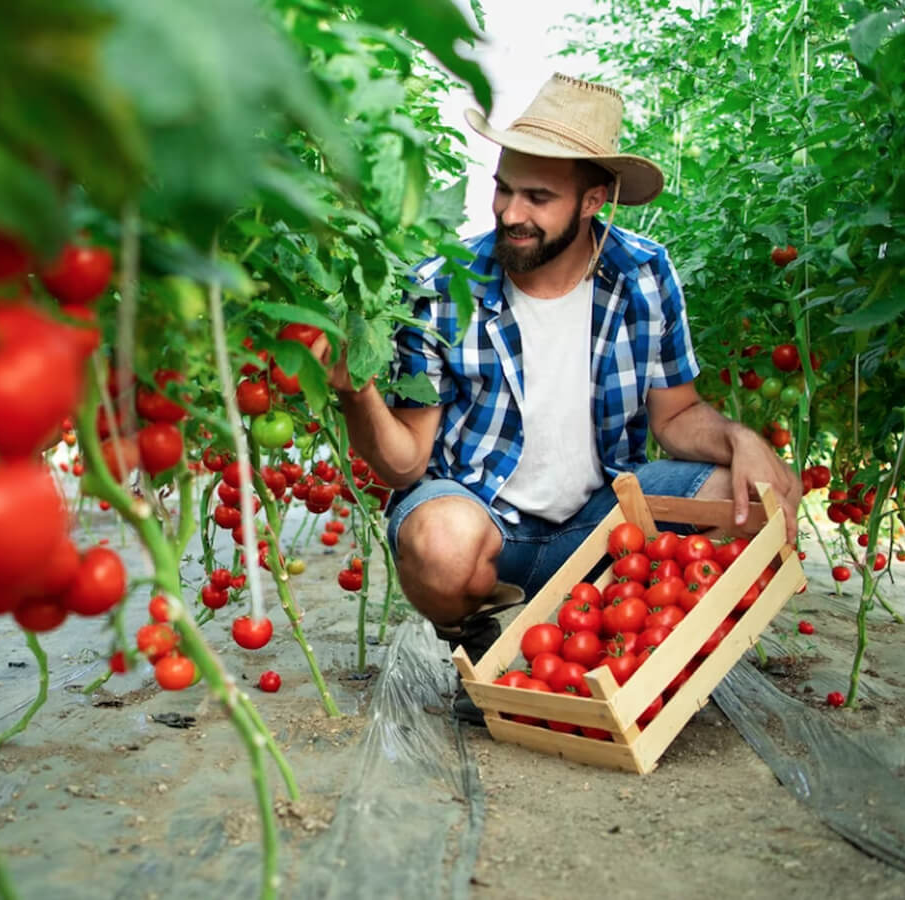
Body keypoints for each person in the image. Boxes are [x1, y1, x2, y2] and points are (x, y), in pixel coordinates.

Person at [311, 73, 799, 723]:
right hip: (486, 528)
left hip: (604, 531)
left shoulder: (643, 276)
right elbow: (404, 464)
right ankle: (482, 646)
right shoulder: (438, 286)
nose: (512, 212)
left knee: (746, 503)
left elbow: (677, 416)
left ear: (593, 198)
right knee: (440, 539)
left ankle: (634, 645)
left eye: (538, 197)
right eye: (505, 189)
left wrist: (744, 441)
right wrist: (356, 393)